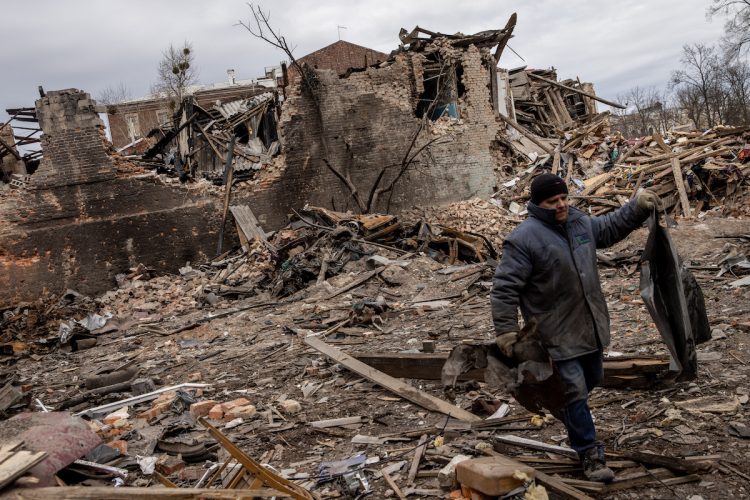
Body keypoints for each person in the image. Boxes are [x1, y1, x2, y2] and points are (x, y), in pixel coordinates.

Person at [490, 173, 660, 482]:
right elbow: (504, 288)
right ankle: (590, 454)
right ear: (537, 204)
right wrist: (505, 329)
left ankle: (565, 409)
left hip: (588, 325)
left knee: (592, 378)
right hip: (553, 334)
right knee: (574, 391)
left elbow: (608, 229)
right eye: (552, 201)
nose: (561, 205)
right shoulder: (524, 239)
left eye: (564, 198)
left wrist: (636, 208)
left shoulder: (579, 223)